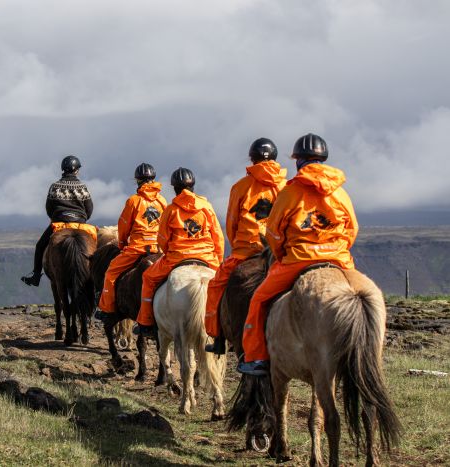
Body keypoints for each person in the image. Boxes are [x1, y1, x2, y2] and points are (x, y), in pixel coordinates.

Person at [238, 133, 358, 376]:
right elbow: (352, 229)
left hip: (298, 259)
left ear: (298, 161)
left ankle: (256, 358)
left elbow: (273, 232)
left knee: (259, 301)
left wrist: (282, 253)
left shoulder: (291, 192)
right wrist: (337, 249)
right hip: (338, 260)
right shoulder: (340, 192)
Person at [204, 138, 287, 354]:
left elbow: (231, 223)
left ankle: (218, 337)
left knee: (216, 285)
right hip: (279, 252)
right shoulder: (287, 186)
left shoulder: (241, 187)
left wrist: (239, 246)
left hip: (247, 250)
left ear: (252, 158)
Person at [134, 167, 225, 338]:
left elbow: (162, 239)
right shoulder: (206, 207)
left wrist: (169, 253)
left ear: (174, 188)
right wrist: (218, 261)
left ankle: (145, 322)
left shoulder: (171, 209)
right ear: (193, 186)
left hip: (177, 258)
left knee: (148, 277)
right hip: (207, 257)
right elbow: (218, 236)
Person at [95, 163, 167, 322]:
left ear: (137, 181)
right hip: (159, 249)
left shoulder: (133, 201)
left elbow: (123, 225)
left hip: (137, 248)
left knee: (110, 273)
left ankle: (107, 310)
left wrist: (121, 244)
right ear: (153, 179)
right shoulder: (162, 201)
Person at [21, 155, 93, 286]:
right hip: (80, 225)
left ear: (63, 169)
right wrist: (81, 219)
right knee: (97, 249)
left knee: (40, 245)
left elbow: (49, 208)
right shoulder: (82, 187)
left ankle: (36, 275)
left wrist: (56, 218)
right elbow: (89, 209)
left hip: (59, 223)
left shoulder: (55, 186)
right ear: (76, 170)